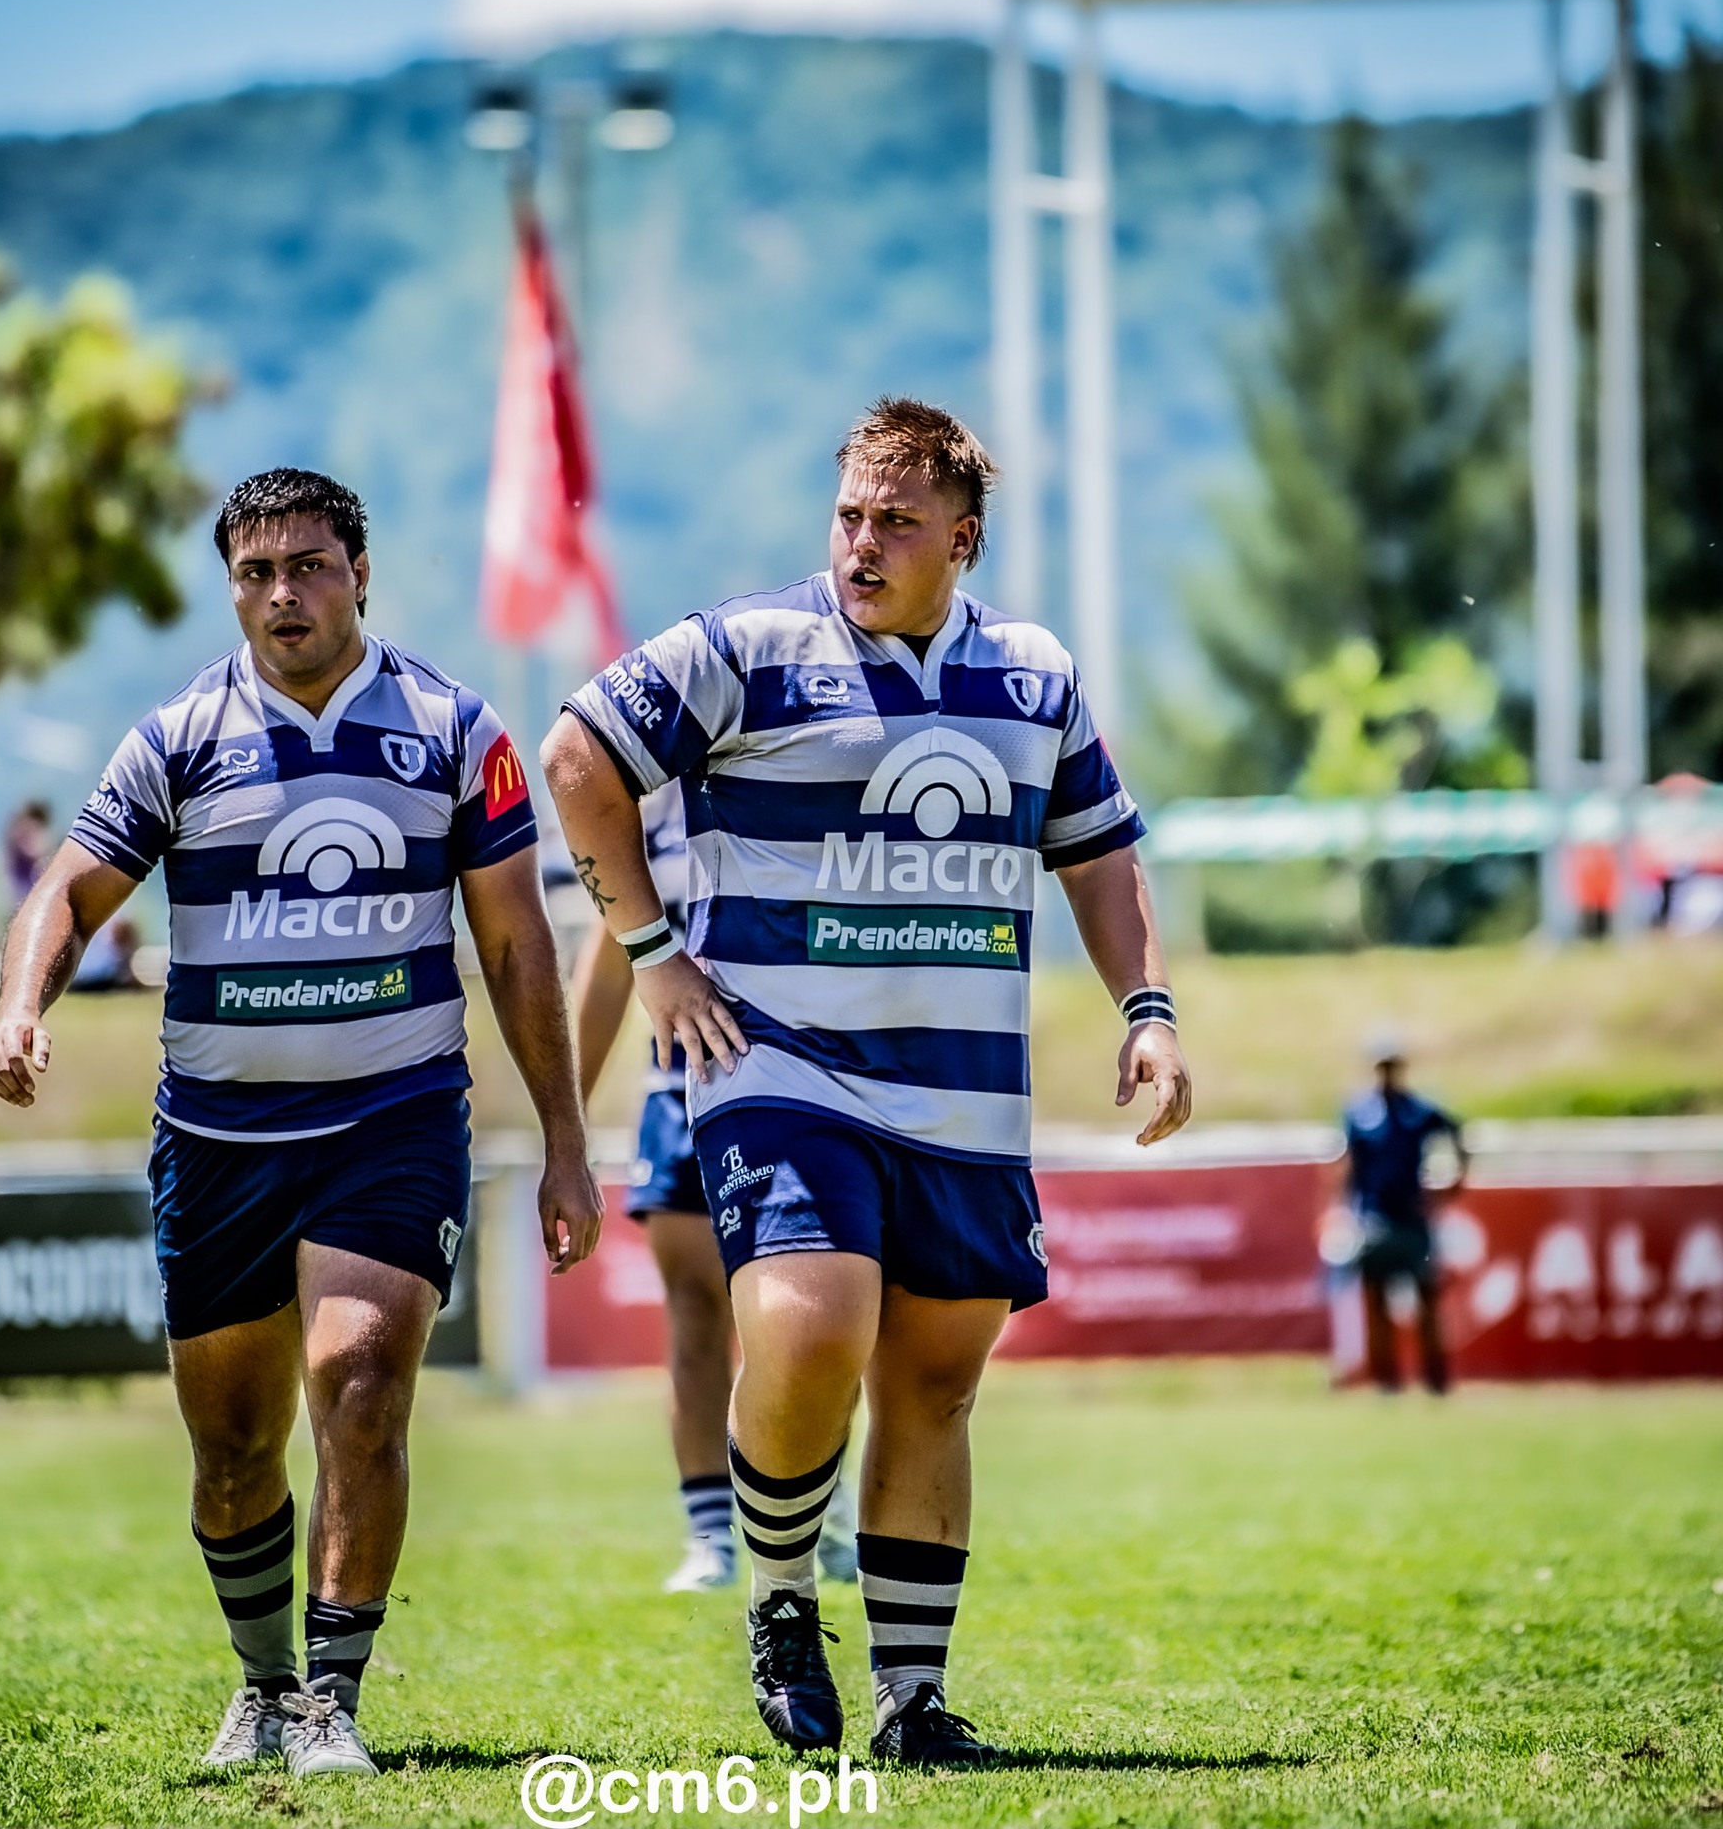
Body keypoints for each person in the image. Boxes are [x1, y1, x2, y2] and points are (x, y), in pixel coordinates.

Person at [543, 397, 1190, 1765]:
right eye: (848, 515)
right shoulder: (748, 648)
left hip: (964, 1098)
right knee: (812, 1321)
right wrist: (655, 954)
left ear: (960, 539)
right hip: (780, 1070)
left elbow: (1100, 850)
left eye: (896, 521)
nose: (862, 542)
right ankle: (780, 1598)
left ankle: (911, 1701)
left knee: (937, 1381)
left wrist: (1148, 1010)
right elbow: (577, 758)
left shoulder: (1033, 672)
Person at [0, 468, 600, 1781]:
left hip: (394, 1119)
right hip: (217, 1143)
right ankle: (263, 1686)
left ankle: (331, 1701)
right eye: (257, 573)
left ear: (360, 572)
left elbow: (515, 942)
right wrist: (20, 1006)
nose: (284, 594)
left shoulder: (453, 728)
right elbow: (70, 892)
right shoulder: (179, 738)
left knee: (361, 1389)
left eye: (310, 566)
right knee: (230, 1455)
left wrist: (562, 1140)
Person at [572, 783, 858, 1594]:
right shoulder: (641, 810)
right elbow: (607, 967)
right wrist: (569, 1117)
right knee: (697, 1313)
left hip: (810, 1095)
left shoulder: (799, 775)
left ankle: (825, 1515)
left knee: (818, 1320)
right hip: (682, 1094)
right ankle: (710, 1536)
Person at [1340, 1034, 1468, 1395]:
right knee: (1376, 1305)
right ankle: (1387, 1384)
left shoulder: (1419, 1111)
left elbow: (1457, 1133)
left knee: (1427, 1304)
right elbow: (1348, 1167)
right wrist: (1342, 1213)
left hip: (1412, 1220)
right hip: (1373, 1220)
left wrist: (1455, 1181)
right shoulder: (1360, 1115)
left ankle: (1436, 1382)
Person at [4, 800, 53, 906]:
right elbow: (34, 852)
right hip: (23, 887)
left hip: (16, 887)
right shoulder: (24, 830)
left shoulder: (15, 830)